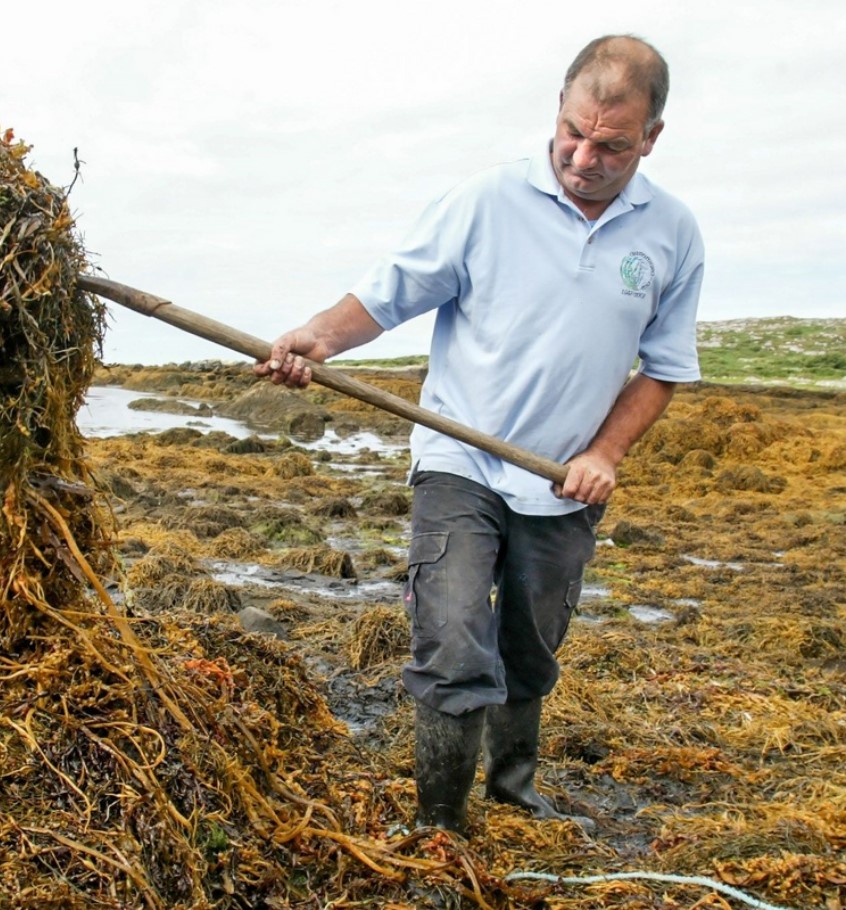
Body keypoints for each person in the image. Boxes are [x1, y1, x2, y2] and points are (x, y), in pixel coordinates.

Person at [254, 34, 703, 835]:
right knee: (456, 645)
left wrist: (603, 453)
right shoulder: (487, 202)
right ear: (558, 109)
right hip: (459, 459)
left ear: (653, 137)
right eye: (573, 131)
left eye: (611, 144)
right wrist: (319, 338)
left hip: (562, 481)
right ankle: (440, 826)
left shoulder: (672, 233)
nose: (583, 155)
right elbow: (391, 293)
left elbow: (664, 367)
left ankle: (514, 790)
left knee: (528, 650)